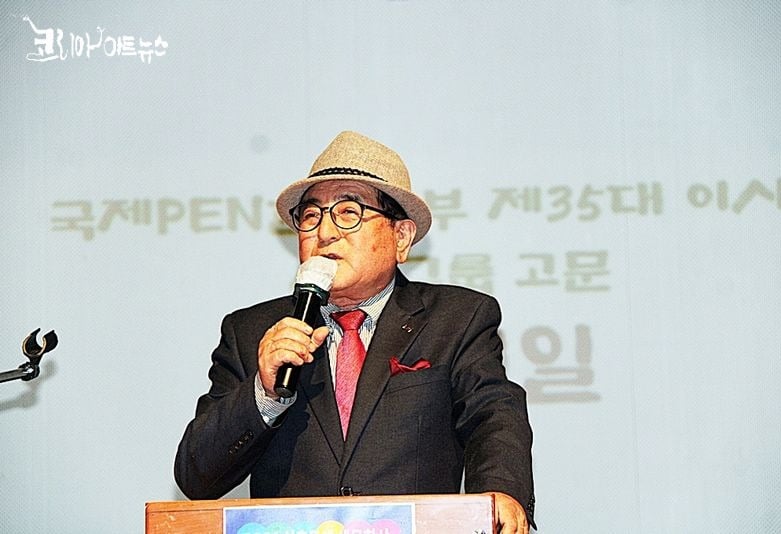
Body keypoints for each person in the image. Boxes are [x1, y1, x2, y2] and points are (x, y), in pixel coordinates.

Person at [174, 131, 536, 532]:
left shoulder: (457, 318)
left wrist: (501, 492)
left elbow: (492, 415)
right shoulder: (252, 332)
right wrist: (264, 393)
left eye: (349, 212)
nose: (325, 232)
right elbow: (197, 478)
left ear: (401, 237)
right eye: (311, 216)